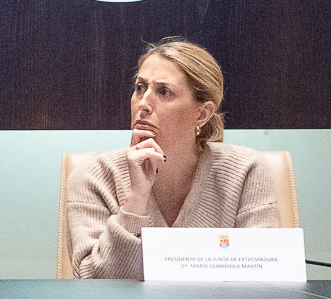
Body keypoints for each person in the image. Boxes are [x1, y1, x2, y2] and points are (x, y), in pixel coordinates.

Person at [66, 37, 285, 279]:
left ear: (202, 114)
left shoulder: (246, 171)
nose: (143, 103)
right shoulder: (92, 178)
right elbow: (92, 284)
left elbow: (265, 278)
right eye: (140, 87)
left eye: (164, 92)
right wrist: (135, 201)